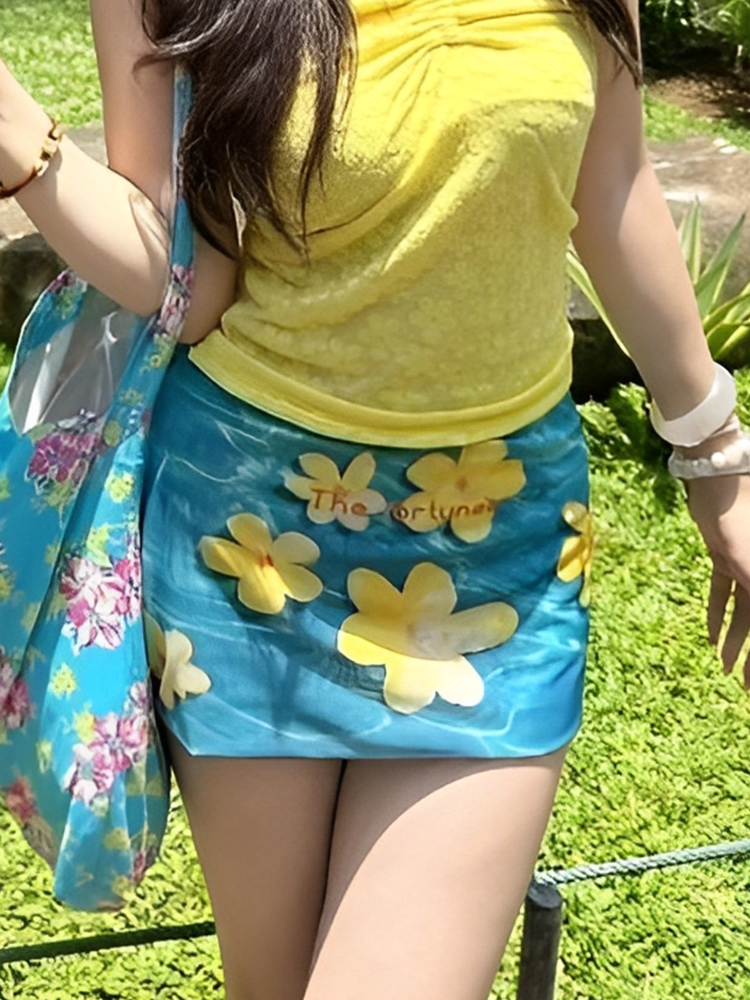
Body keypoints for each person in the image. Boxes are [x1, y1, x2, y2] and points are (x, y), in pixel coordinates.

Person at [1, 1, 749, 997]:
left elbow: (611, 183)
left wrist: (714, 450)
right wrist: (19, 136)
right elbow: (190, 281)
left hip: (503, 557)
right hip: (252, 552)